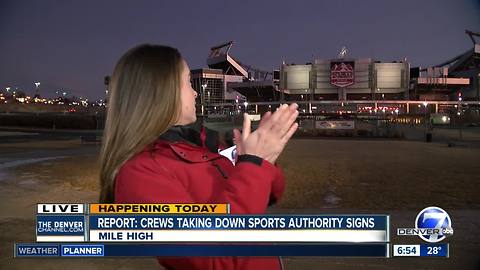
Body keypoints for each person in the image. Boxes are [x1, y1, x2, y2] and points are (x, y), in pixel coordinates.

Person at [99, 44, 299, 270]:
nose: (195, 92)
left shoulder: (203, 146)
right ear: (161, 92)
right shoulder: (139, 174)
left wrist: (262, 160)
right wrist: (253, 165)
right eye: (187, 82)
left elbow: (270, 194)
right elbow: (214, 260)